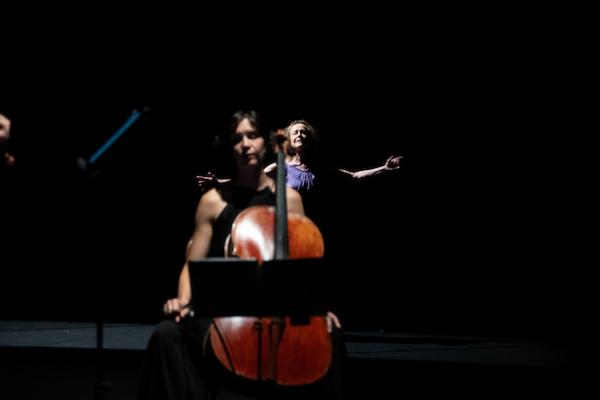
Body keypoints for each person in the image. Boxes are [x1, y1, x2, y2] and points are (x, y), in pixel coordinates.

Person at [137, 110, 345, 400]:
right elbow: (192, 262)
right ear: (229, 147)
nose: (245, 144)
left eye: (252, 136)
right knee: (166, 334)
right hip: (225, 317)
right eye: (237, 138)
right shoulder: (212, 202)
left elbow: (303, 262)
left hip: (278, 312)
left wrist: (317, 306)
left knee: (330, 335)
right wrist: (182, 301)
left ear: (266, 143)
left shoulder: (289, 199)